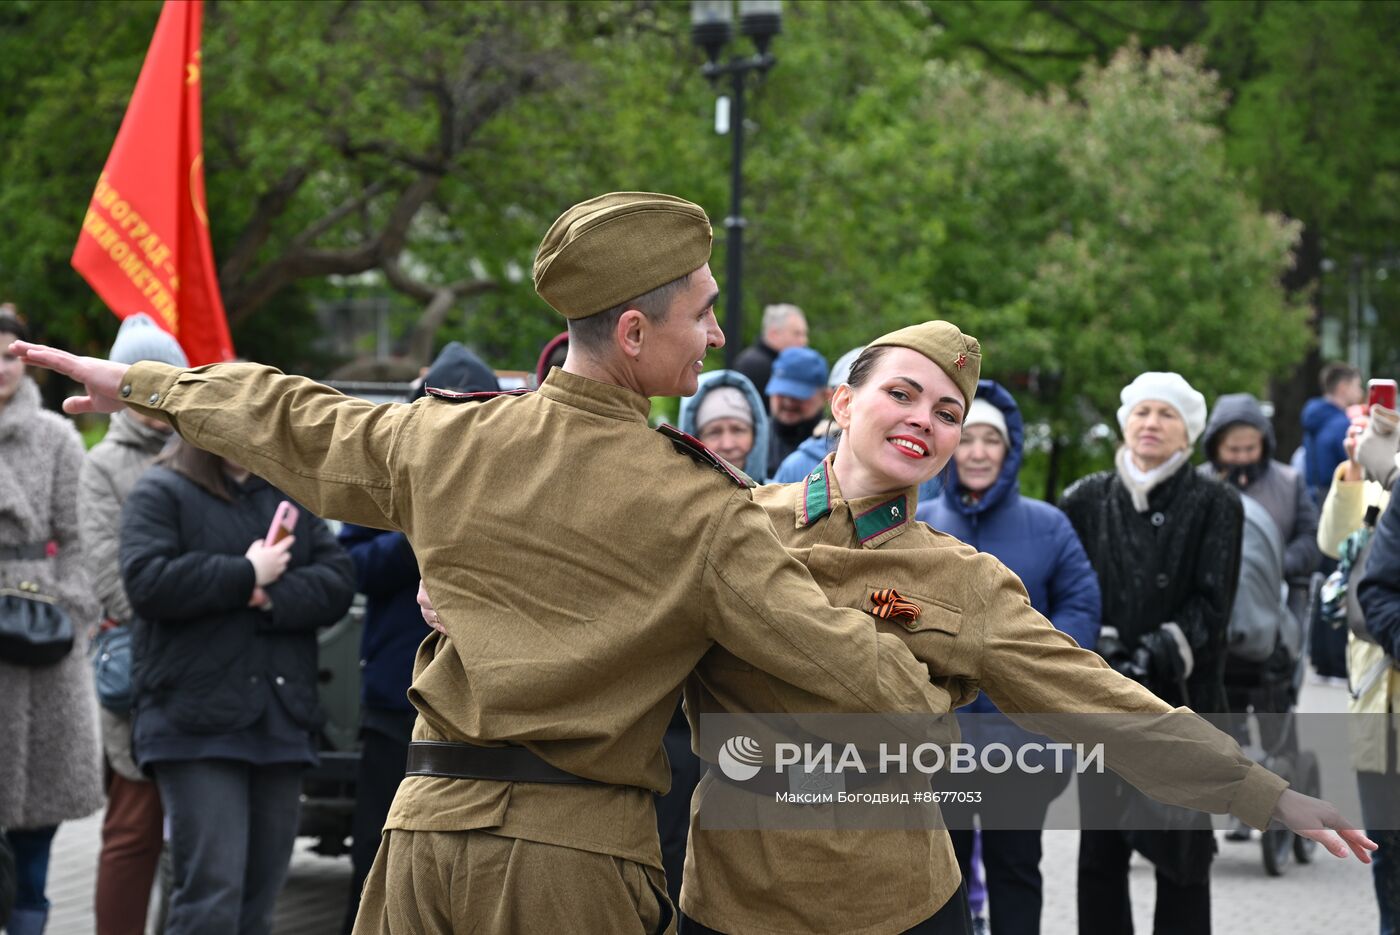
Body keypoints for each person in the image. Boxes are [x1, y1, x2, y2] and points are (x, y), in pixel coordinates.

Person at [15, 191, 950, 934]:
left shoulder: (452, 437)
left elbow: (299, 418)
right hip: (569, 869)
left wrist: (143, 384)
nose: (713, 335)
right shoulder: (702, 504)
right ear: (632, 332)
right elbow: (846, 665)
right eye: (702, 315)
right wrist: (938, 673)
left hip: (420, 839)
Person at [673, 328, 1369, 935]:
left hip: (894, 901)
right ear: (845, 402)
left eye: (948, 412)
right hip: (735, 894)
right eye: (903, 394)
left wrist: (1259, 788)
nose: (926, 420)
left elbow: (1098, 699)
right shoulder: (736, 527)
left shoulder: (964, 579)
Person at [119, 437, 356, 935]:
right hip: (194, 723)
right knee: (211, 896)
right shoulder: (161, 490)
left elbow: (337, 583)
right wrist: (244, 573)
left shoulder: (292, 495)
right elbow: (146, 582)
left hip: (279, 721)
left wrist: (265, 596)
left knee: (260, 898)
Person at [916, 379, 1101, 935]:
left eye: (990, 440)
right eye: (966, 438)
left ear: (1010, 448)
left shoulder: (1048, 525)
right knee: (937, 874)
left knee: (1016, 868)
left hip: (1022, 743)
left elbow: (1080, 606)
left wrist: (1022, 667)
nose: (976, 452)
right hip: (938, 742)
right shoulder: (918, 520)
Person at [1060, 371, 1242, 935]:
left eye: (1166, 415)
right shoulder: (1085, 499)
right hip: (1102, 697)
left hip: (1182, 700)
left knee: (1183, 854)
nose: (1151, 424)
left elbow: (1214, 606)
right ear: (1124, 423)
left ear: (1188, 434)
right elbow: (1068, 592)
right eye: (1142, 412)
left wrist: (1155, 652)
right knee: (1101, 854)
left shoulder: (1216, 501)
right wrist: (1100, 650)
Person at [339, 341, 499, 934]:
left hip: (474, 710)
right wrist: (424, 529)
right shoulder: (384, 482)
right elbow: (350, 567)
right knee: (375, 856)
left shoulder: (505, 482)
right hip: (392, 697)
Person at [79, 313, 188, 935]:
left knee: (198, 846)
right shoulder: (103, 467)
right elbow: (110, 581)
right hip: (142, 670)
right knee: (133, 831)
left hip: (207, 675)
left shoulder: (209, 450)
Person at [0, 312, 103, 935]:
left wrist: (68, 608)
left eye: (10, 357)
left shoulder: (55, 437)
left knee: (37, 834)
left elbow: (81, 537)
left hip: (41, 642)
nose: (0, 370)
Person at [1199, 392, 1320, 841]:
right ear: (1216, 447)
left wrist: (1278, 566)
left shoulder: (1288, 484)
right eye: (1233, 449)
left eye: (1250, 449)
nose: (1243, 457)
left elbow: (1310, 538)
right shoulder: (1201, 483)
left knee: (1273, 701)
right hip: (1219, 620)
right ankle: (1234, 791)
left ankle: (1281, 786)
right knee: (1219, 705)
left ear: (1263, 446)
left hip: (1276, 608)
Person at [1321, 408, 1398, 935]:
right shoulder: (1374, 487)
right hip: (1376, 700)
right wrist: (1355, 470)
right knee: (1387, 853)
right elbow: (1333, 543)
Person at [679, 370, 771, 481]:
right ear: (695, 439)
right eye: (714, 432)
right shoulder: (673, 498)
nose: (728, 445)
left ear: (756, 434)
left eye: (738, 430)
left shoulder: (783, 497)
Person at [1303, 362, 1365, 505]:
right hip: (1336, 498)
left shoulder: (1315, 416)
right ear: (1343, 387)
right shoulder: (1342, 424)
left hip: (1312, 497)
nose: (1360, 392)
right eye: (1357, 386)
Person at [766, 345, 831, 475]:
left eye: (798, 395)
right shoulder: (751, 438)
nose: (788, 402)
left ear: (826, 396)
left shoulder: (835, 446)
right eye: (781, 393)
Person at [732, 303, 807, 399]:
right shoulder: (754, 365)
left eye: (804, 334)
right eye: (797, 334)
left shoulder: (763, 362)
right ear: (773, 334)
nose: (803, 341)